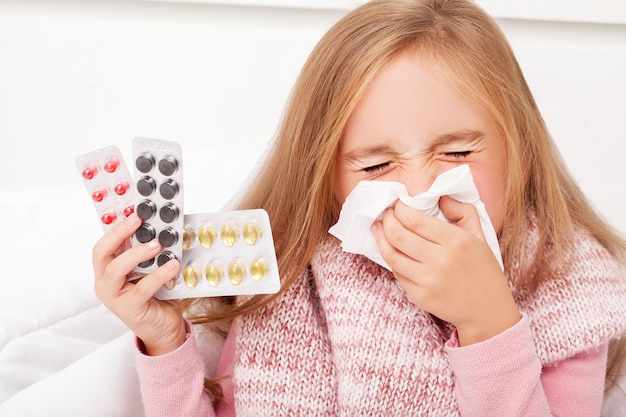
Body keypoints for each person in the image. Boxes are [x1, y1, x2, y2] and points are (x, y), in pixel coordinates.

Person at [92, 0, 626, 415]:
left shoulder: (570, 286)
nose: (418, 189)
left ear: (522, 157)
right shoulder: (288, 279)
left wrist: (490, 324)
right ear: (327, 182)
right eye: (374, 168)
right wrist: (164, 342)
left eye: (458, 152)